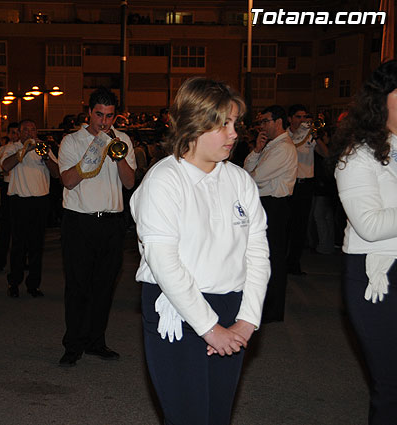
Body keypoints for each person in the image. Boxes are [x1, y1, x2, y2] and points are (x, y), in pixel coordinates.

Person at [130, 77, 269, 425]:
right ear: (193, 125)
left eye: (235, 123)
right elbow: (164, 262)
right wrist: (210, 328)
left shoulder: (240, 180)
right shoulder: (164, 181)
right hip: (177, 308)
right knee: (189, 416)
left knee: (217, 416)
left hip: (231, 308)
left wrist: (247, 321)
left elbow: (257, 254)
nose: (234, 133)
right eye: (223, 124)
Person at [331, 59, 397, 425]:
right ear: (382, 99)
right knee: (391, 385)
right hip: (379, 275)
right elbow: (369, 225)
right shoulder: (358, 154)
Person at [58, 87, 136, 366]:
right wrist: (94, 150)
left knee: (105, 286)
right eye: (99, 115)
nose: (104, 122)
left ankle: (96, 341)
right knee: (78, 286)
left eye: (110, 116)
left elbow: (129, 183)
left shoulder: (122, 140)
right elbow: (67, 180)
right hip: (79, 221)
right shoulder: (71, 141)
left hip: (112, 223)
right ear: (89, 112)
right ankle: (73, 344)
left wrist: (117, 155)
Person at [243, 105, 298, 323]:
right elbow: (248, 169)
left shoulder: (283, 147)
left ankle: (272, 309)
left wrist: (248, 175)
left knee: (273, 257)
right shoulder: (271, 145)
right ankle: (266, 306)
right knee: (264, 256)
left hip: (274, 205)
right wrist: (256, 149)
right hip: (266, 204)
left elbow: (254, 177)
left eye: (265, 121)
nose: (261, 126)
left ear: (278, 121)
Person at [0, 119, 59, 298]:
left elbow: (56, 173)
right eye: (26, 130)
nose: (29, 132)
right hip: (19, 201)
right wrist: (24, 150)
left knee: (36, 245)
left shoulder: (44, 148)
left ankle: (34, 284)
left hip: (40, 201)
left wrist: (46, 157)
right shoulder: (12, 147)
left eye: (33, 129)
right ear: (19, 132)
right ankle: (14, 282)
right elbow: (5, 166)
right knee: (18, 244)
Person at [285, 104, 329, 275]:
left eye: (305, 117)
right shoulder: (286, 136)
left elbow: (325, 154)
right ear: (290, 119)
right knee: (286, 224)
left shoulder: (311, 136)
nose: (303, 121)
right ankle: (282, 260)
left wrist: (316, 137)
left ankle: (294, 263)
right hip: (290, 184)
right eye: (298, 117)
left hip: (306, 185)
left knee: (301, 226)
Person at [0, 122, 19, 273]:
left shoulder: (24, 147)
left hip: (20, 190)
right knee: (6, 227)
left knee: (20, 228)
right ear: (8, 134)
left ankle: (21, 260)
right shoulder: (4, 149)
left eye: (17, 132)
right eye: (12, 132)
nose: (15, 135)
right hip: (8, 187)